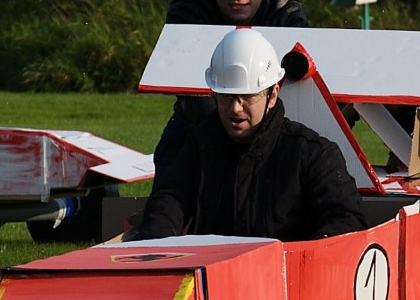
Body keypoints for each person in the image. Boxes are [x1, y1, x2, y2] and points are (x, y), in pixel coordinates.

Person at [130, 29, 366, 242]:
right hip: (213, 280)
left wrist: (301, 260)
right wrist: (153, 247)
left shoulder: (313, 155)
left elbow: (345, 222)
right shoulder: (199, 147)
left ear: (273, 94)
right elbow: (168, 203)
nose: (235, 108)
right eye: (226, 97)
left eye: (248, 97)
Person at [155, 0, 310, 171]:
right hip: (201, 119)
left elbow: (300, 96)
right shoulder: (187, 11)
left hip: (272, 124)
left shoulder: (287, 16)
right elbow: (190, 95)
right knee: (171, 158)